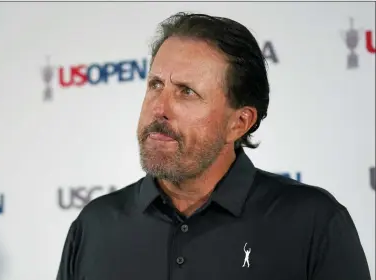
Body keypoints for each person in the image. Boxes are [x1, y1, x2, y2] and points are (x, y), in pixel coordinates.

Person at [56, 12, 371, 280]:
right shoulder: (94, 227)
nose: (159, 107)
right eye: (155, 85)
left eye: (186, 92)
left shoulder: (313, 223)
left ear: (239, 123)